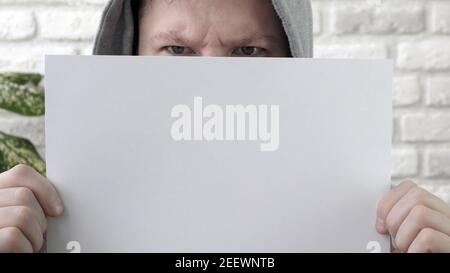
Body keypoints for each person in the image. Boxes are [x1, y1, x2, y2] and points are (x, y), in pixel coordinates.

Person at [0, 0, 449, 253]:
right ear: (126, 55)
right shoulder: (53, 222)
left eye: (249, 51)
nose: (209, 83)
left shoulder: (373, 225)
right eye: (177, 49)